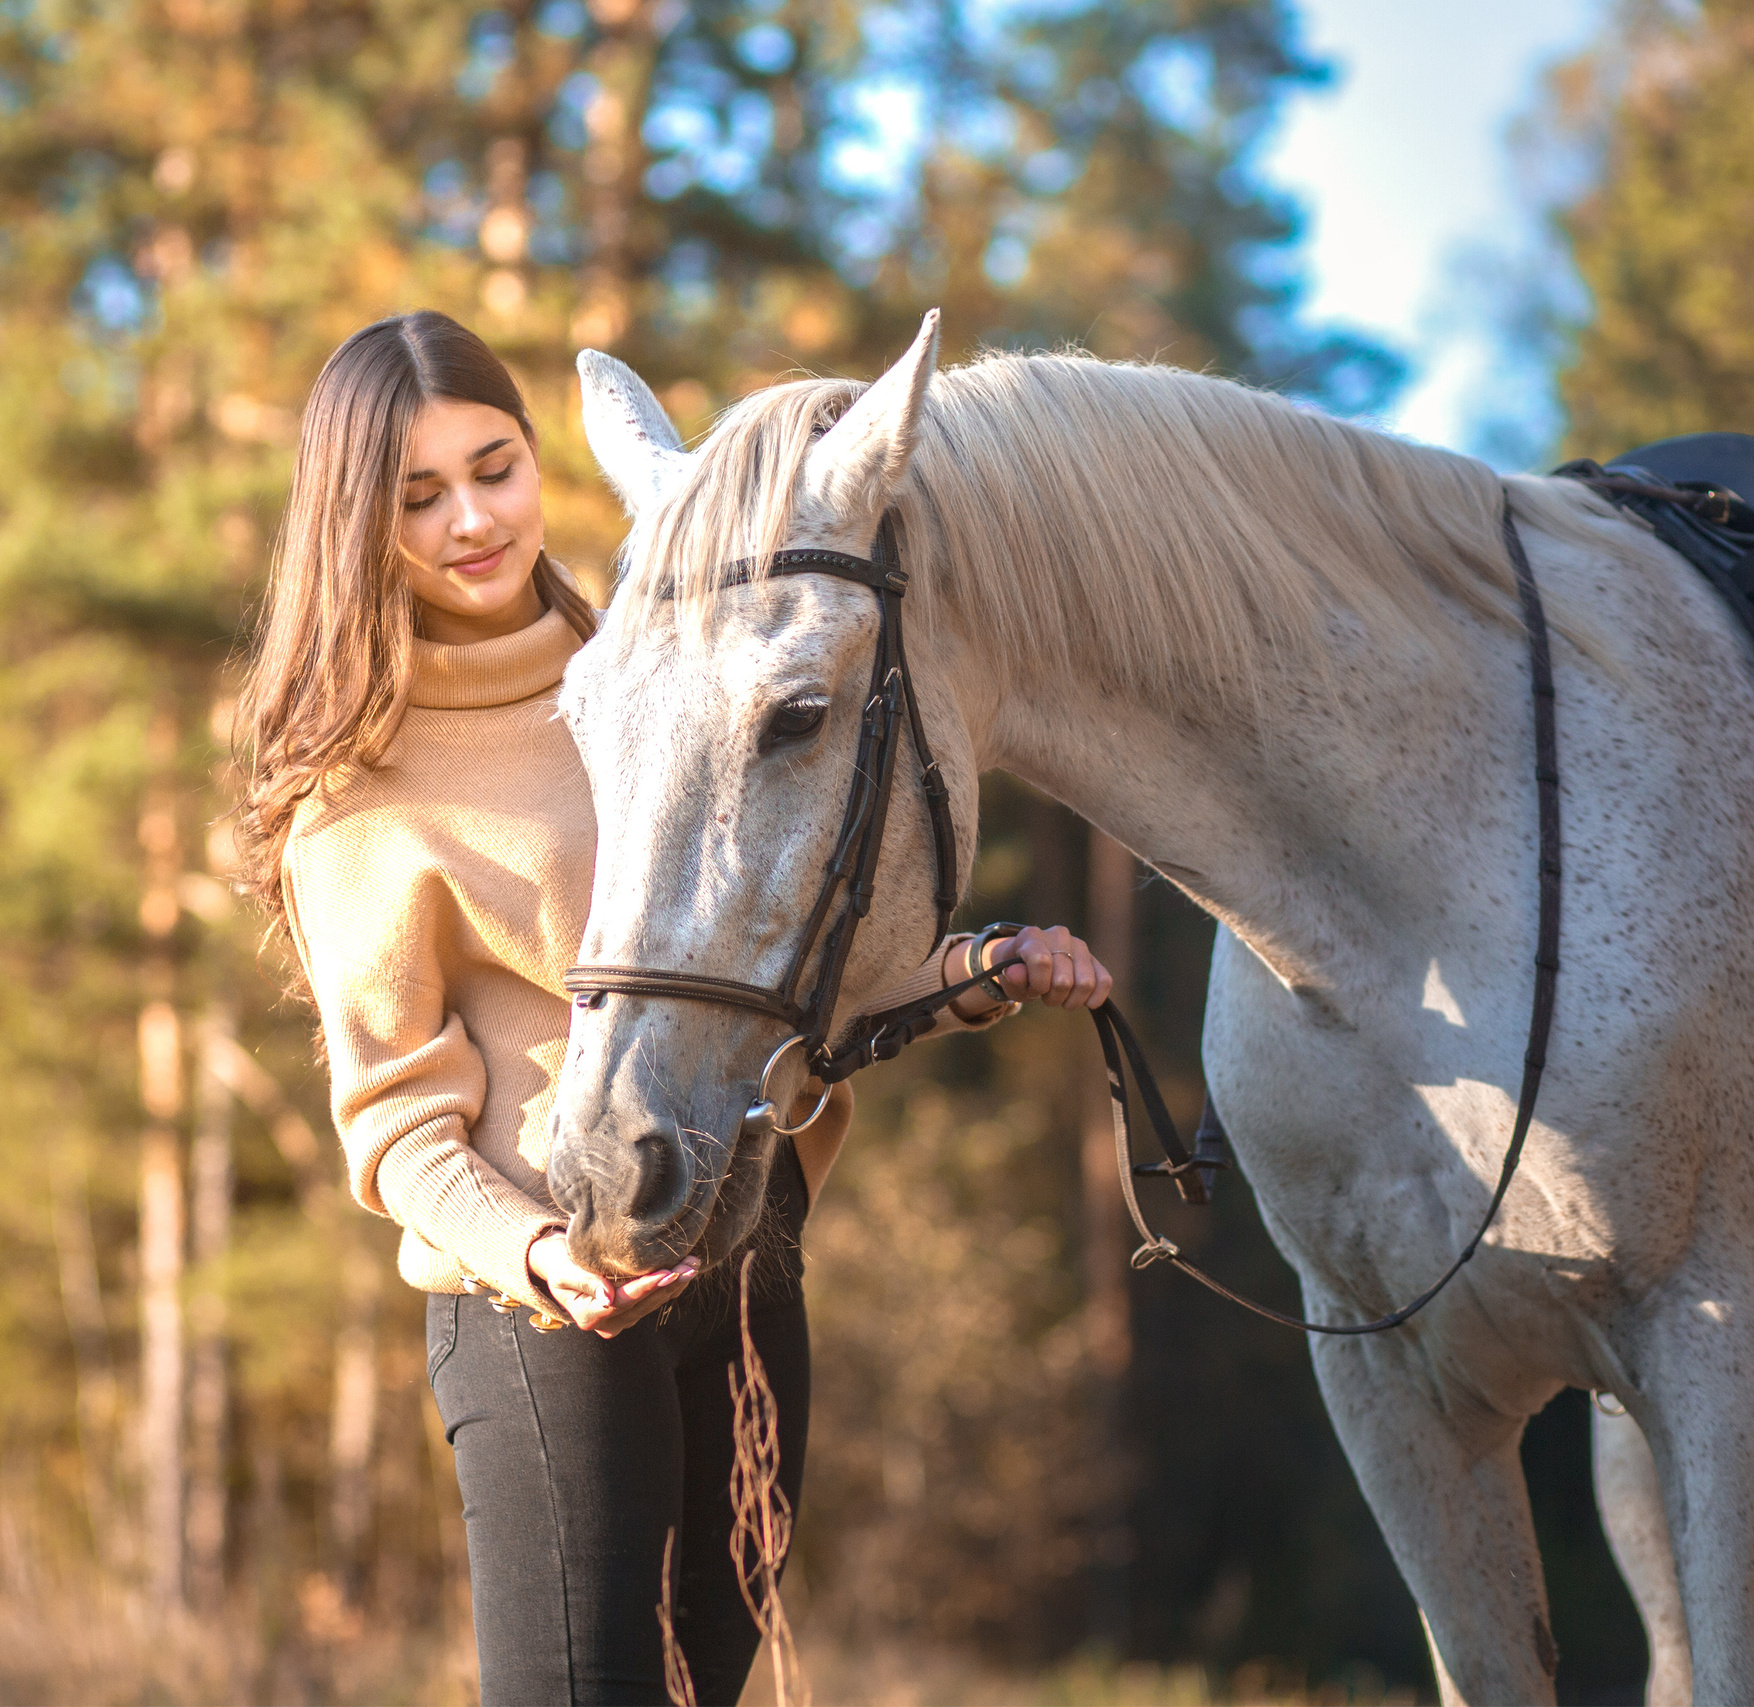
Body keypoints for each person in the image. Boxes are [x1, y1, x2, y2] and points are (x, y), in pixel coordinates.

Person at [233, 309, 1113, 1705]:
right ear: (360, 526)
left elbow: (762, 979)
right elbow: (396, 1127)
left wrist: (967, 977)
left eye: (496, 465)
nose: (474, 518)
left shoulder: (662, 676)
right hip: (552, 1311)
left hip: (748, 1265)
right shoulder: (360, 797)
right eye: (419, 496)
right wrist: (536, 1255)